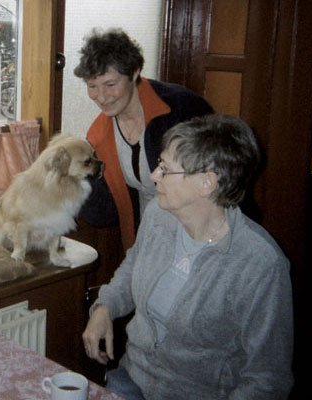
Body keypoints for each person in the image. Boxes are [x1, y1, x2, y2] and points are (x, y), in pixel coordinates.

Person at [82, 114, 294, 399]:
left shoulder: (260, 263)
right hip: (133, 378)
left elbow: (267, 378)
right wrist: (104, 307)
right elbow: (133, 267)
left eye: (165, 169)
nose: (154, 176)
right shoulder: (158, 215)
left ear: (207, 183)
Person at [74, 28, 214, 251]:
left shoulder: (181, 108)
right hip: (149, 242)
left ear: (134, 72)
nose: (101, 97)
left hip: (202, 236)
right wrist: (70, 181)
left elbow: (223, 177)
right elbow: (105, 213)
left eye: (110, 84)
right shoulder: (99, 134)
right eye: (92, 86)